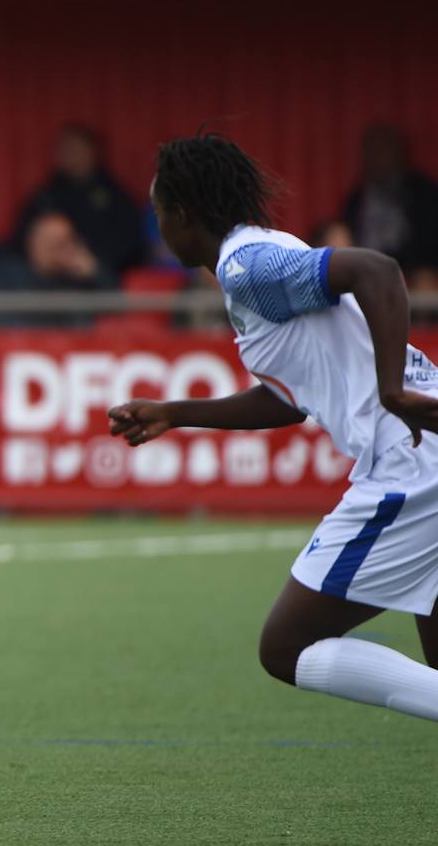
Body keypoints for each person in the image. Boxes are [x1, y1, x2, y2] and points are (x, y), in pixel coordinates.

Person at [107, 132, 438, 726]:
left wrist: (391, 390)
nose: (158, 228)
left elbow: (377, 270)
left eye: (159, 213)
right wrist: (175, 413)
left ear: (183, 214)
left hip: (410, 461)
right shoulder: (263, 255)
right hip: (427, 445)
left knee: (286, 648)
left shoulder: (245, 265)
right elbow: (290, 401)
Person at [13, 124, 146, 278]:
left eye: (77, 150)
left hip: (94, 272)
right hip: (45, 276)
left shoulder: (115, 197)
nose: (71, 156)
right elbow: (22, 237)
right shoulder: (45, 195)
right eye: (66, 151)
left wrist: (93, 261)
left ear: (93, 153)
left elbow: (129, 244)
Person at [339, 123, 438, 284]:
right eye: (372, 152)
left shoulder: (424, 194)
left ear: (399, 153)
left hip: (414, 275)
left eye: (383, 150)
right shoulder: (356, 200)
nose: (378, 159)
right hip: (366, 273)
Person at [0, 209, 116, 327]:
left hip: (76, 343)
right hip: (25, 342)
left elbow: (116, 307)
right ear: (32, 241)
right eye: (50, 241)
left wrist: (95, 272)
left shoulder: (77, 276)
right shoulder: (9, 273)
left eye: (64, 242)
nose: (56, 250)